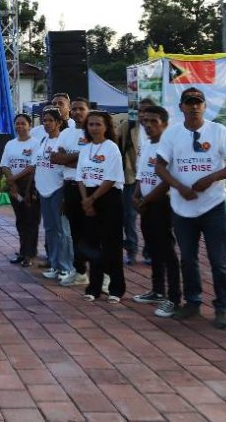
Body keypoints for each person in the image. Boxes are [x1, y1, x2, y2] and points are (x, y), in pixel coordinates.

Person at [154, 87, 226, 328]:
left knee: (218, 260)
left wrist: (211, 178)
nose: (194, 106)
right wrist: (179, 187)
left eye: (198, 102)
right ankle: (192, 302)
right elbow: (159, 166)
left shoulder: (218, 131)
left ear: (204, 106)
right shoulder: (172, 134)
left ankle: (223, 307)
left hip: (213, 205)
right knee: (188, 258)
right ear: (181, 107)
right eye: (189, 102)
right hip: (182, 207)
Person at [132, 105, 181, 318]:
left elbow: (167, 180)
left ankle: (174, 297)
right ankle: (157, 290)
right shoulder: (146, 145)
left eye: (154, 121)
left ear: (165, 124)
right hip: (146, 205)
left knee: (167, 250)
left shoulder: (168, 146)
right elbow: (141, 175)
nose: (148, 125)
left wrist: (145, 199)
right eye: (145, 121)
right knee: (152, 248)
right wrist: (136, 196)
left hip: (162, 204)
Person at [76, 111, 126, 302]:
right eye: (91, 124)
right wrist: (85, 200)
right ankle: (93, 287)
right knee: (92, 244)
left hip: (109, 197)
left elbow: (111, 178)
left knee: (112, 245)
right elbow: (80, 177)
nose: (94, 128)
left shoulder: (111, 148)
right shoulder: (85, 148)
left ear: (106, 127)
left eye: (98, 124)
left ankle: (116, 289)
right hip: (88, 196)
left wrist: (92, 199)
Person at [51, 98, 91, 287]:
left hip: (91, 187)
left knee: (94, 232)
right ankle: (80, 271)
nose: (76, 112)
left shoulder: (94, 130)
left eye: (81, 108)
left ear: (88, 110)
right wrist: (81, 156)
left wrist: (69, 158)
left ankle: (104, 275)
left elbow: (94, 160)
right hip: (70, 186)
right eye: (74, 109)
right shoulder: (66, 133)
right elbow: (55, 158)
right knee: (75, 231)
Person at [34, 108, 73, 280]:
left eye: (50, 120)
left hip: (59, 189)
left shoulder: (63, 141)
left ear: (59, 123)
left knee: (63, 230)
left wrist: (65, 193)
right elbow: (37, 165)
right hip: (44, 190)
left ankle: (67, 267)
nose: (47, 123)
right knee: (50, 229)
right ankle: (54, 263)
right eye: (44, 120)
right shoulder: (43, 140)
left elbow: (67, 167)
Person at [120, 98, 157, 265]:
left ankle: (150, 251)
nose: (142, 114)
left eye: (146, 110)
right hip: (131, 178)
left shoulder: (161, 129)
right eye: (140, 110)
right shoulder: (127, 126)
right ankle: (131, 249)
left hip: (153, 179)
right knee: (129, 217)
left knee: (151, 217)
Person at [0, 114, 39, 267]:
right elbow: (4, 165)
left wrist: (14, 179)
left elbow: (32, 167)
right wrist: (12, 183)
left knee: (31, 221)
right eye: (17, 123)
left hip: (30, 185)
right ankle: (23, 251)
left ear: (30, 126)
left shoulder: (36, 143)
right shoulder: (10, 143)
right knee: (20, 220)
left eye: (23, 123)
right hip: (14, 187)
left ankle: (30, 254)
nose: (20, 126)